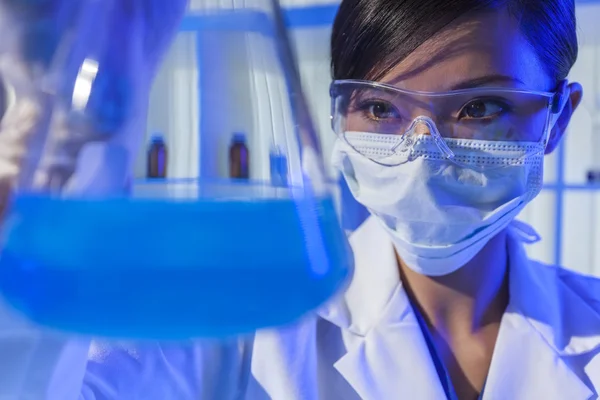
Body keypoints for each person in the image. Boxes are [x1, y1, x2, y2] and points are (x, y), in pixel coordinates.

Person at [2, 0, 600, 398]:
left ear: (555, 118)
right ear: (341, 114)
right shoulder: (246, 323)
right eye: (381, 108)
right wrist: (60, 152)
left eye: (478, 107)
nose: (424, 151)